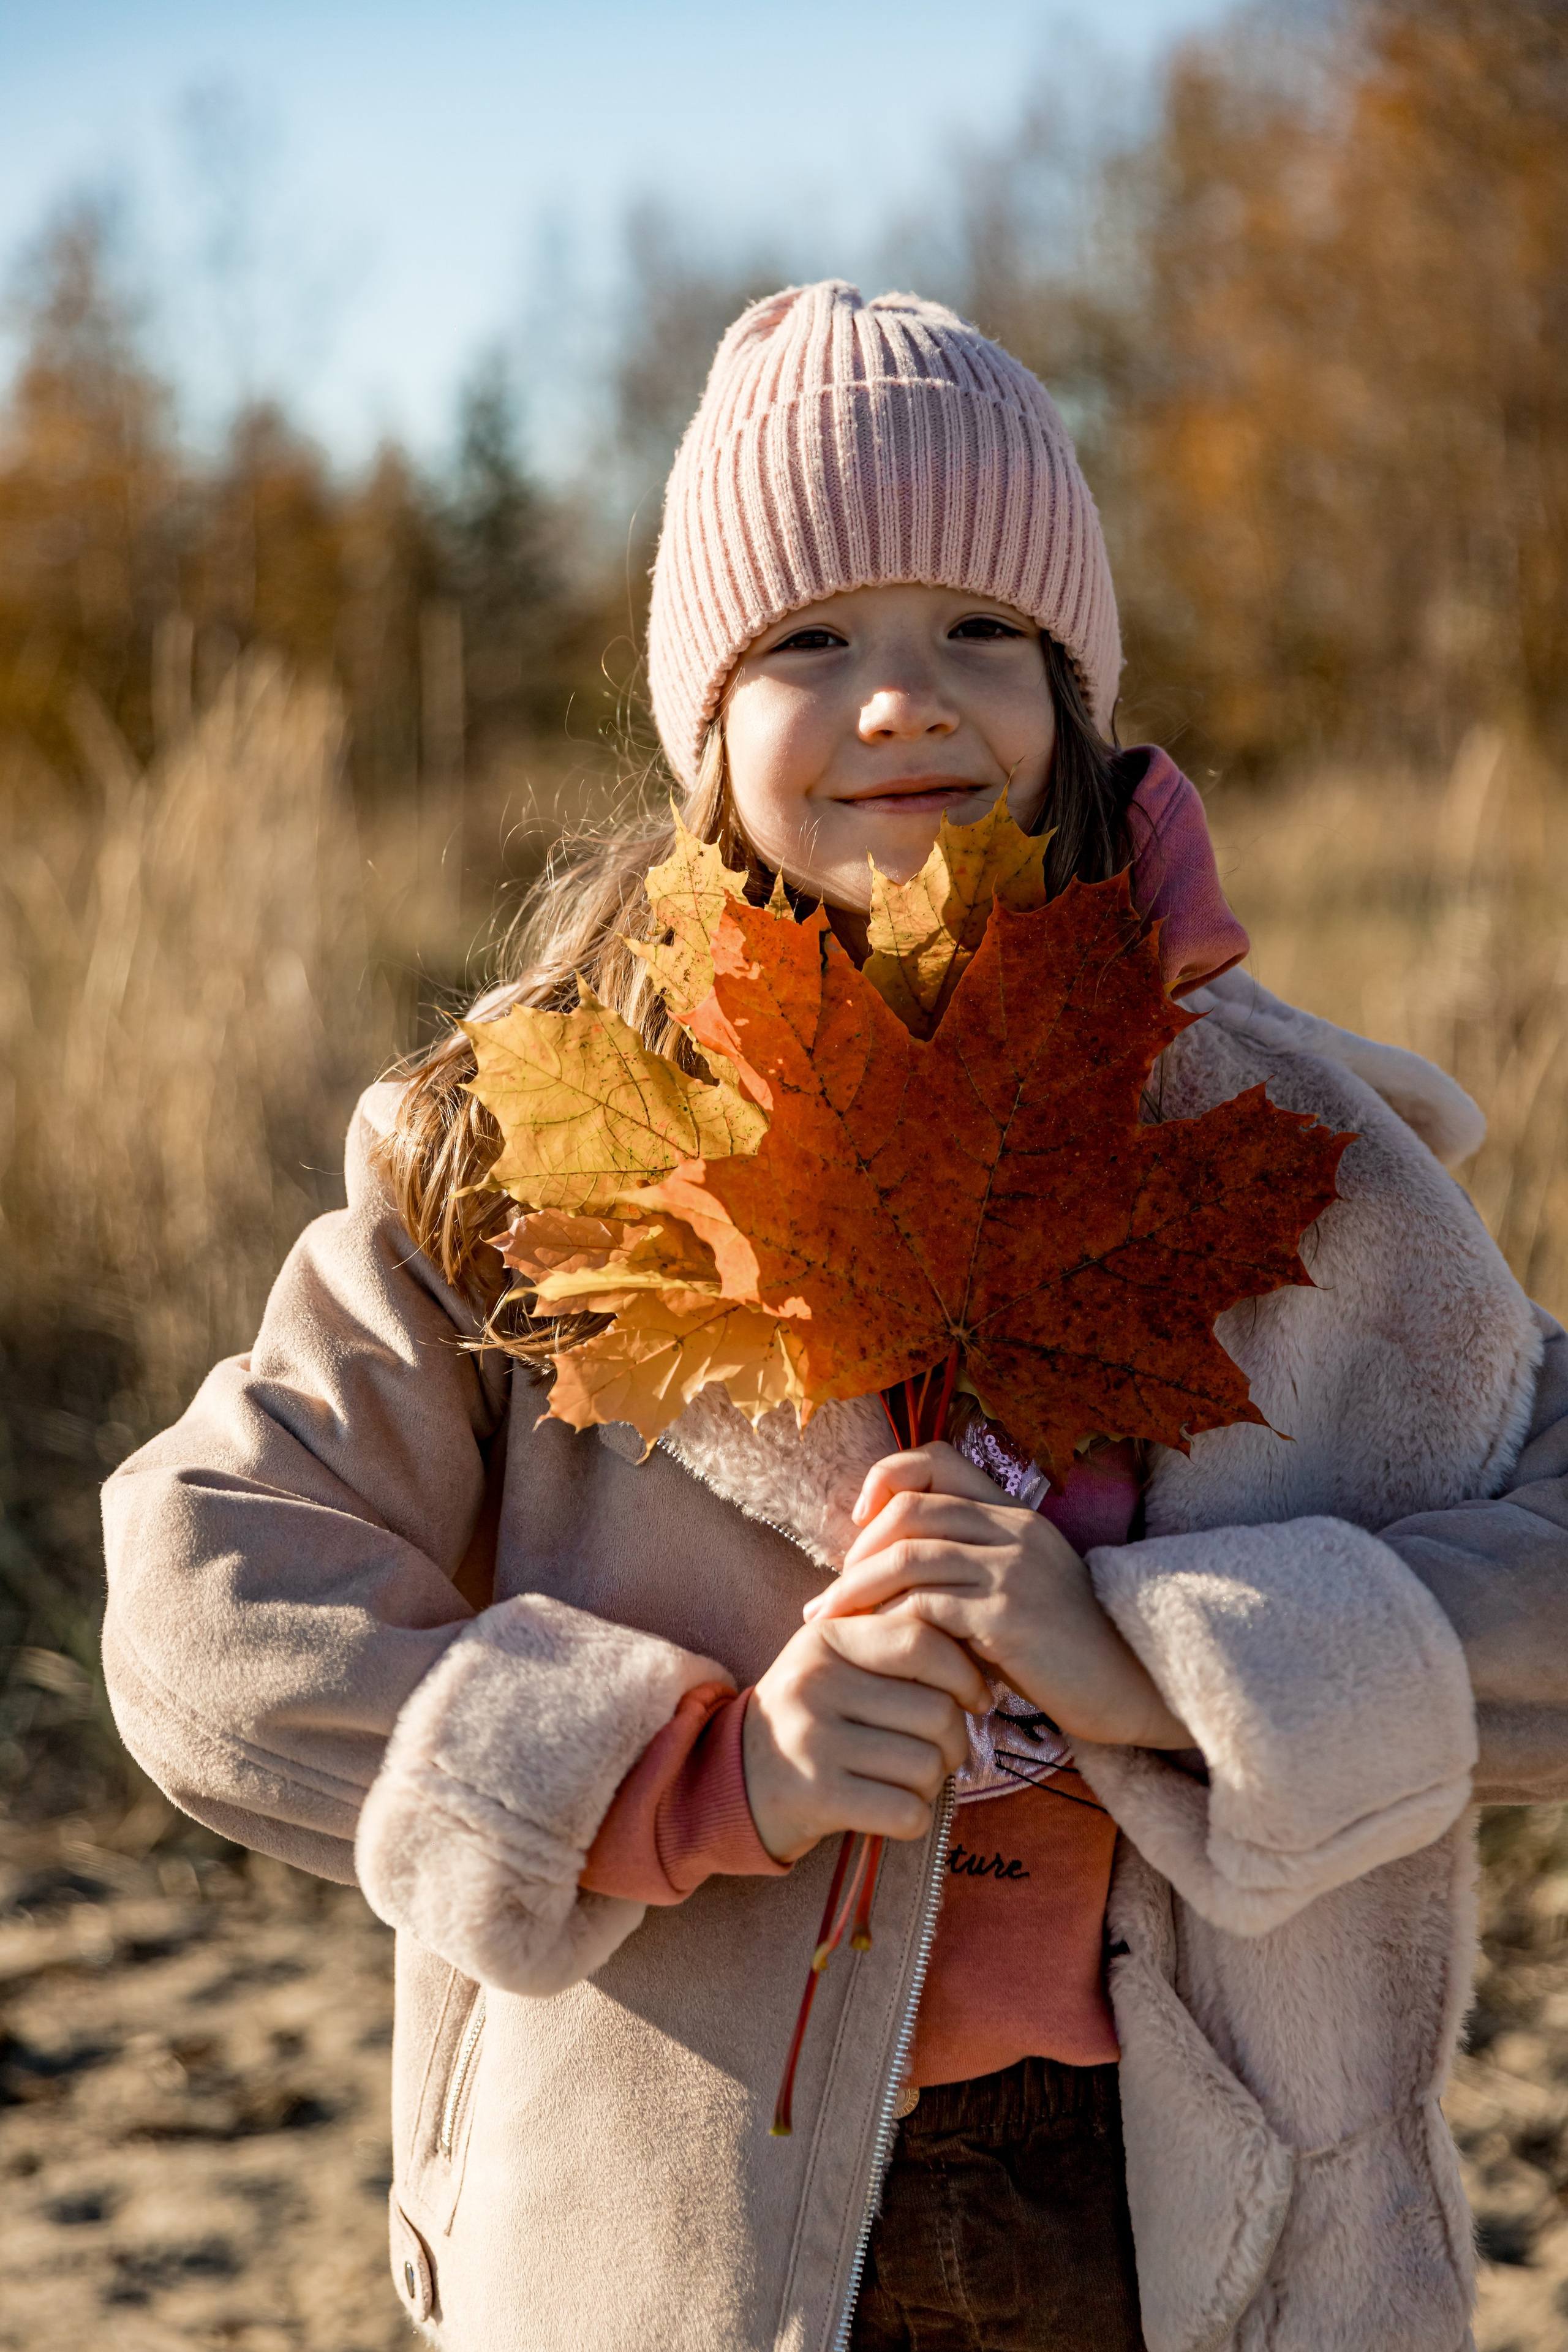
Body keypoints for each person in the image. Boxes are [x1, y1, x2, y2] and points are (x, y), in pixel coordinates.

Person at [100, 283, 1568, 2352]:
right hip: (671, 2217)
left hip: (1192, 2218)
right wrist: (696, 1775)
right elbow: (200, 1614)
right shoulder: (528, 1151)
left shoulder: (1277, 1140)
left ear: (1075, 685)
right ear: (704, 715)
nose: (904, 703)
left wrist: (1155, 1653)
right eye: (811, 641)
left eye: (982, 630)